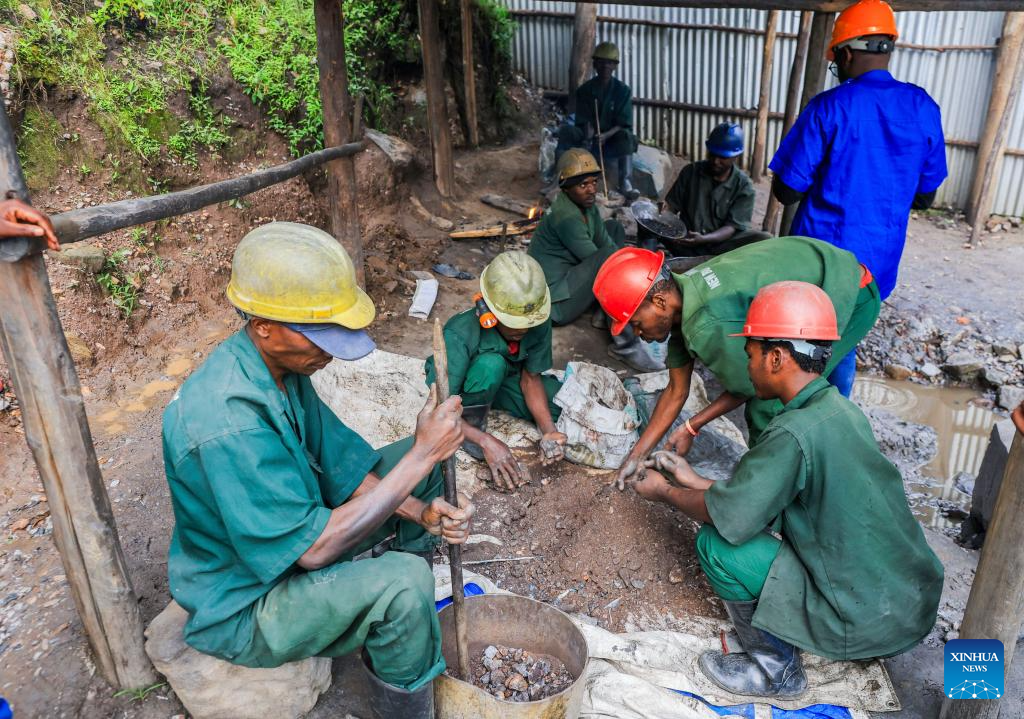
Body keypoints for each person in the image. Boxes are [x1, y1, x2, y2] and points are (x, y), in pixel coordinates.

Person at [162, 222, 474, 719]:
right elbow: (313, 551)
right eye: (317, 336)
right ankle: (404, 683)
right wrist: (423, 453)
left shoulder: (280, 370)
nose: (329, 351)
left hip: (296, 532)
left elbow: (342, 467)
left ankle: (398, 624)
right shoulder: (226, 421)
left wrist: (420, 510)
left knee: (417, 475)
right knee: (403, 579)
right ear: (263, 324)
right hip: (247, 604)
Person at [630, 281, 943, 698]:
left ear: (776, 357)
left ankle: (775, 671)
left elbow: (732, 517)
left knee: (717, 545)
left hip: (863, 621)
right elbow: (772, 496)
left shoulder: (792, 433)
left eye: (750, 355)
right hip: (907, 603)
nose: (748, 367)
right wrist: (694, 480)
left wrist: (664, 493)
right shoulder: (840, 410)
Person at [592, 237, 881, 488]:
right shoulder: (683, 293)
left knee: (771, 402)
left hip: (847, 291)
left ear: (659, 302)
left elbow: (751, 388)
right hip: (815, 275)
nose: (637, 334)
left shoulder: (708, 322)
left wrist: (692, 426)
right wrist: (636, 456)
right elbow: (676, 390)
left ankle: (766, 492)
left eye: (636, 323)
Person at [769, 0, 947, 395]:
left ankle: (790, 413)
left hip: (821, 261)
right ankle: (835, 413)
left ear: (846, 54)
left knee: (800, 342)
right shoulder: (922, 107)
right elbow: (926, 197)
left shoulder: (830, 107)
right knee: (845, 341)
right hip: (878, 265)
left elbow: (786, 189)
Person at [425, 251, 566, 492]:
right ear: (487, 309)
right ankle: (470, 426)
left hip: (507, 378)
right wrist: (485, 441)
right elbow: (440, 407)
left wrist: (549, 431)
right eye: (514, 322)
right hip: (471, 387)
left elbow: (530, 378)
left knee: (558, 404)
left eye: (528, 323)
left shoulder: (536, 319)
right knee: (491, 365)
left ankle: (506, 408)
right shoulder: (459, 334)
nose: (523, 330)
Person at [530, 148, 661, 373]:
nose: (592, 190)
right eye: (583, 185)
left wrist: (626, 263)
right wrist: (631, 278)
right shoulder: (566, 217)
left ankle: (604, 312)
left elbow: (605, 241)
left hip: (569, 279)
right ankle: (626, 347)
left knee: (614, 228)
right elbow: (604, 261)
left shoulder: (585, 205)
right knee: (608, 261)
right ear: (566, 187)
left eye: (593, 182)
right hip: (554, 302)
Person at [663, 123, 771, 256]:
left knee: (764, 238)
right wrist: (664, 210)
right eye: (712, 154)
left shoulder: (744, 187)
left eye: (723, 157)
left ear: (736, 156)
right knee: (647, 221)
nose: (715, 161)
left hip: (721, 248)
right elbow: (671, 206)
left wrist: (704, 239)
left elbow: (732, 227)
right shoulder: (690, 172)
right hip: (686, 241)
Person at [557, 41, 640, 201]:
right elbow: (583, 119)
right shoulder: (585, 90)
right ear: (595, 64)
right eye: (601, 62)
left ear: (615, 66)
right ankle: (559, 179)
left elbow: (624, 123)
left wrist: (606, 135)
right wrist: (589, 135)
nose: (605, 66)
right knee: (567, 131)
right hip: (589, 136)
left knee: (627, 136)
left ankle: (625, 183)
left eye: (609, 63)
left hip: (611, 139)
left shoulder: (623, 91)